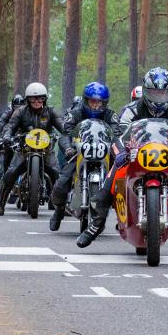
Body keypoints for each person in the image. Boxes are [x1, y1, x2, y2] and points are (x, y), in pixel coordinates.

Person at [75, 67, 168, 254]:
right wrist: (119, 152)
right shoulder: (130, 110)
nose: (159, 98)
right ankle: (95, 224)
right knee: (104, 191)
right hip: (133, 157)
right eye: (154, 93)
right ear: (146, 91)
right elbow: (118, 136)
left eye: (164, 93)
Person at [47, 82, 120, 232]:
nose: (95, 105)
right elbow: (65, 134)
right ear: (86, 100)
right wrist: (68, 148)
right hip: (80, 152)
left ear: (104, 103)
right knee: (62, 181)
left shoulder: (110, 115)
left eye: (99, 102)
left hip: (104, 153)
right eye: (92, 101)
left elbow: (116, 135)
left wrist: (116, 150)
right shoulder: (75, 113)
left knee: (120, 182)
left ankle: (123, 219)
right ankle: (59, 210)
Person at [0, 82, 64, 215]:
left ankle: (61, 205)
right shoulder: (20, 111)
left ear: (45, 99)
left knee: (57, 174)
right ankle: (0, 203)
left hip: (46, 149)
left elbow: (63, 126)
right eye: (33, 98)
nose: (37, 101)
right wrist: (7, 136)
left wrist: (69, 134)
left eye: (40, 98)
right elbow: (10, 126)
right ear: (28, 99)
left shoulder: (51, 111)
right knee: (11, 172)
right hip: (24, 148)